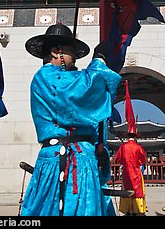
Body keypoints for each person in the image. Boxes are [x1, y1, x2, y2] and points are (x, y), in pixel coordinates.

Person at [20, 23, 122, 216]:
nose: (74, 56)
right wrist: (98, 62)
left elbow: (88, 110)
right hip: (64, 158)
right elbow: (78, 93)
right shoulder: (46, 77)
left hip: (80, 158)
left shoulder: (63, 78)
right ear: (56, 52)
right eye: (70, 51)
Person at [114, 131, 148, 216]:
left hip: (126, 172)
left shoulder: (123, 147)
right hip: (136, 172)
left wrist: (125, 163)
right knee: (138, 191)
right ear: (135, 137)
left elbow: (118, 159)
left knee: (126, 189)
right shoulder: (138, 147)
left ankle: (127, 210)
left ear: (127, 137)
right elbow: (143, 159)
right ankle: (137, 210)